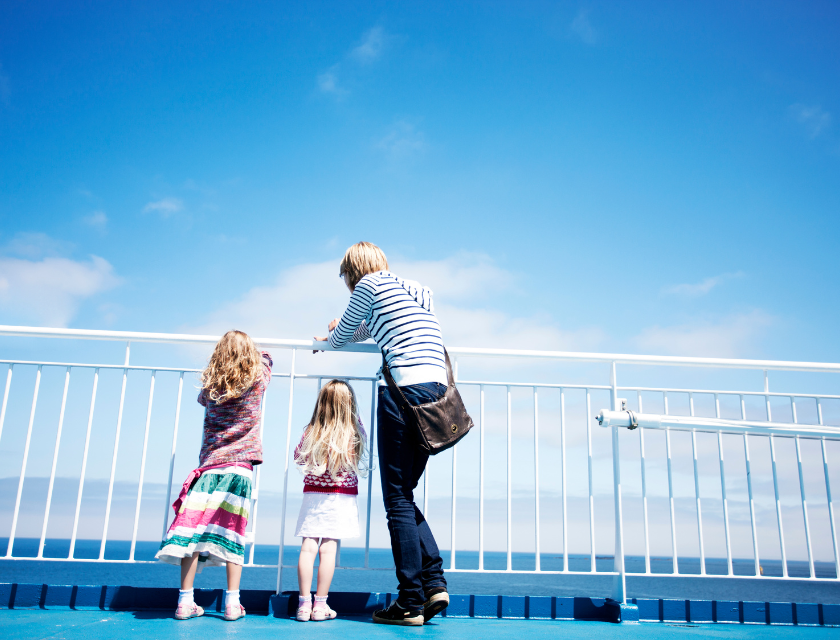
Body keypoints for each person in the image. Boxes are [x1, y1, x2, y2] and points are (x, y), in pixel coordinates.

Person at [315, 241, 449, 626]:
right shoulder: (419, 290)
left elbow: (342, 337)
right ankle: (433, 583)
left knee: (396, 498)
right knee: (404, 494)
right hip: (435, 393)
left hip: (401, 393)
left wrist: (330, 335)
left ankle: (410, 602)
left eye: (345, 276)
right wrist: (345, 331)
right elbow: (374, 329)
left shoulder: (368, 287)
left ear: (354, 270)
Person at [156, 330, 272, 622]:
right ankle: (233, 604)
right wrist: (257, 355)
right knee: (234, 534)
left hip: (209, 469)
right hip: (239, 470)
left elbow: (202, 398)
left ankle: (185, 601)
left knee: (192, 535)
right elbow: (268, 361)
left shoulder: (211, 390)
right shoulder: (257, 380)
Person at [293, 379, 368, 622]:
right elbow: (359, 452)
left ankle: (303, 605)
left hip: (314, 494)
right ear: (350, 405)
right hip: (341, 497)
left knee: (308, 547)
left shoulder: (312, 429)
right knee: (329, 549)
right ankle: (320, 605)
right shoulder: (354, 430)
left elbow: (299, 456)